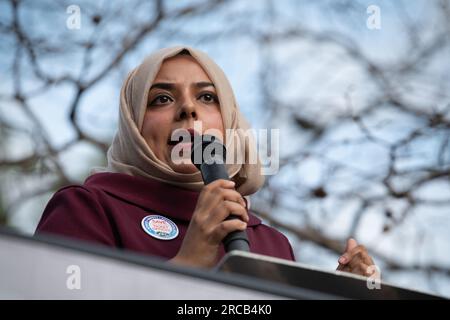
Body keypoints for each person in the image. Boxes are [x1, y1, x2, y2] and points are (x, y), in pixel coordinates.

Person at [35, 46, 375, 275]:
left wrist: (340, 293)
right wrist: (189, 262)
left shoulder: (272, 243)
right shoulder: (87, 210)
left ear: (228, 124)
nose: (188, 109)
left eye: (207, 97)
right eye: (162, 98)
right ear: (133, 126)